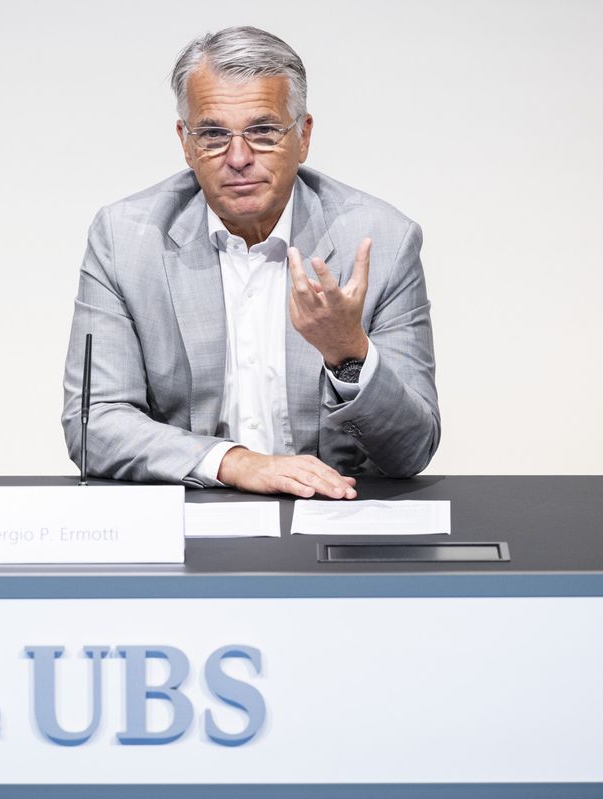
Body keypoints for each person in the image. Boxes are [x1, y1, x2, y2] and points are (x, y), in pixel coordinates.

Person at [62, 26, 439, 499]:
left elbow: (412, 450)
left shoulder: (381, 239)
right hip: (189, 514)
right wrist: (235, 462)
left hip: (333, 513)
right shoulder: (126, 239)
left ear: (303, 136)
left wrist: (348, 354)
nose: (238, 157)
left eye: (263, 132)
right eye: (214, 134)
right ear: (185, 142)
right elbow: (93, 424)